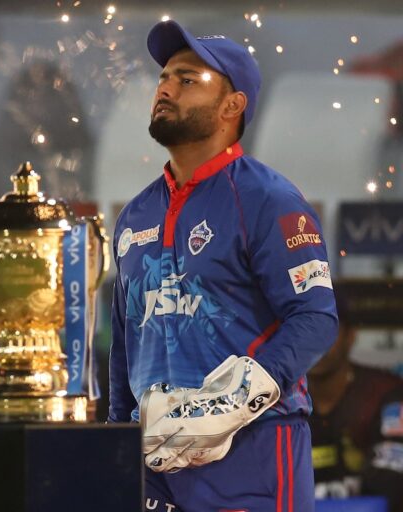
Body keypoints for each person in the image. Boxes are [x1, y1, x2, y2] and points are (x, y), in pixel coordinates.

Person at [108, 20, 338, 511]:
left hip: (251, 450)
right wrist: (116, 438)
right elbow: (124, 341)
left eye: (187, 80)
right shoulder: (134, 215)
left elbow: (316, 318)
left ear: (233, 106)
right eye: (164, 77)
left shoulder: (268, 199)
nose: (166, 88)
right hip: (153, 463)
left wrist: (237, 399)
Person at [309, 290, 403, 509]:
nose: (315, 343)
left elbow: (390, 485)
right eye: (305, 331)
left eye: (326, 331)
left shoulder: (385, 393)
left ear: (350, 336)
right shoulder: (277, 399)